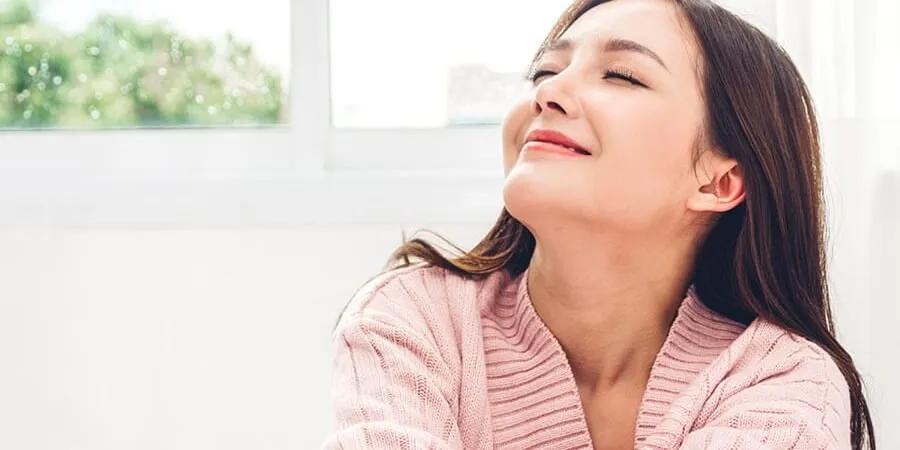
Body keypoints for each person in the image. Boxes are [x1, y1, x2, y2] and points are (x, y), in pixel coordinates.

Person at [324, 0, 876, 448]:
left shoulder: (781, 379)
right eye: (546, 71)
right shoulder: (413, 321)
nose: (548, 92)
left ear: (718, 181)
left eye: (621, 75)